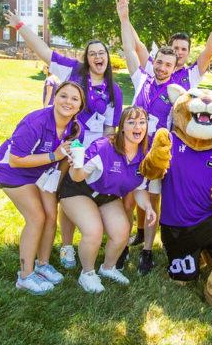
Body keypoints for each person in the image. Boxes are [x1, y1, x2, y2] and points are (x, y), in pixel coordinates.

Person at [4, 10, 124, 269]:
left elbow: (109, 130)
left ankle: (84, 241)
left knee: (84, 194)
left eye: (101, 52)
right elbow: (44, 52)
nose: (97, 57)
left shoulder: (115, 89)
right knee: (65, 194)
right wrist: (21, 26)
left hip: (94, 152)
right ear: (86, 58)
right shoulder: (74, 71)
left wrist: (104, 155)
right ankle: (67, 246)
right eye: (92, 53)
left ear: (108, 57)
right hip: (67, 146)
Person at [118, 0, 212, 257]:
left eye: (181, 52)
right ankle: (129, 235)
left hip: (161, 148)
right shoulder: (144, 76)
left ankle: (147, 246)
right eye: (165, 58)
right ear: (156, 61)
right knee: (129, 193)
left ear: (185, 55)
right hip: (134, 142)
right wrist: (124, 17)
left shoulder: (187, 79)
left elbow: (209, 53)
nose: (172, 60)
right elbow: (132, 48)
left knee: (154, 195)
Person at [0, 81, 84, 295]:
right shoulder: (35, 121)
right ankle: (25, 275)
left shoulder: (75, 126)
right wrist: (55, 156)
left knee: (51, 216)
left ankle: (42, 264)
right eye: (63, 96)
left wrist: (64, 170)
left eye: (74, 99)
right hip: (13, 171)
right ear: (55, 97)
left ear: (80, 106)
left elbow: (67, 156)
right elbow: (15, 160)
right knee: (37, 217)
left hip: (43, 173)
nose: (68, 102)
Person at [58, 106, 157, 293]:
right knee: (93, 231)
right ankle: (87, 274)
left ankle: (108, 267)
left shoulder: (145, 155)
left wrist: (148, 207)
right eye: (131, 122)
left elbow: (140, 188)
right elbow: (77, 177)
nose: (138, 126)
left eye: (142, 122)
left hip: (108, 195)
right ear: (122, 126)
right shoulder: (104, 147)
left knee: (122, 231)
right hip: (79, 190)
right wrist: (77, 164)